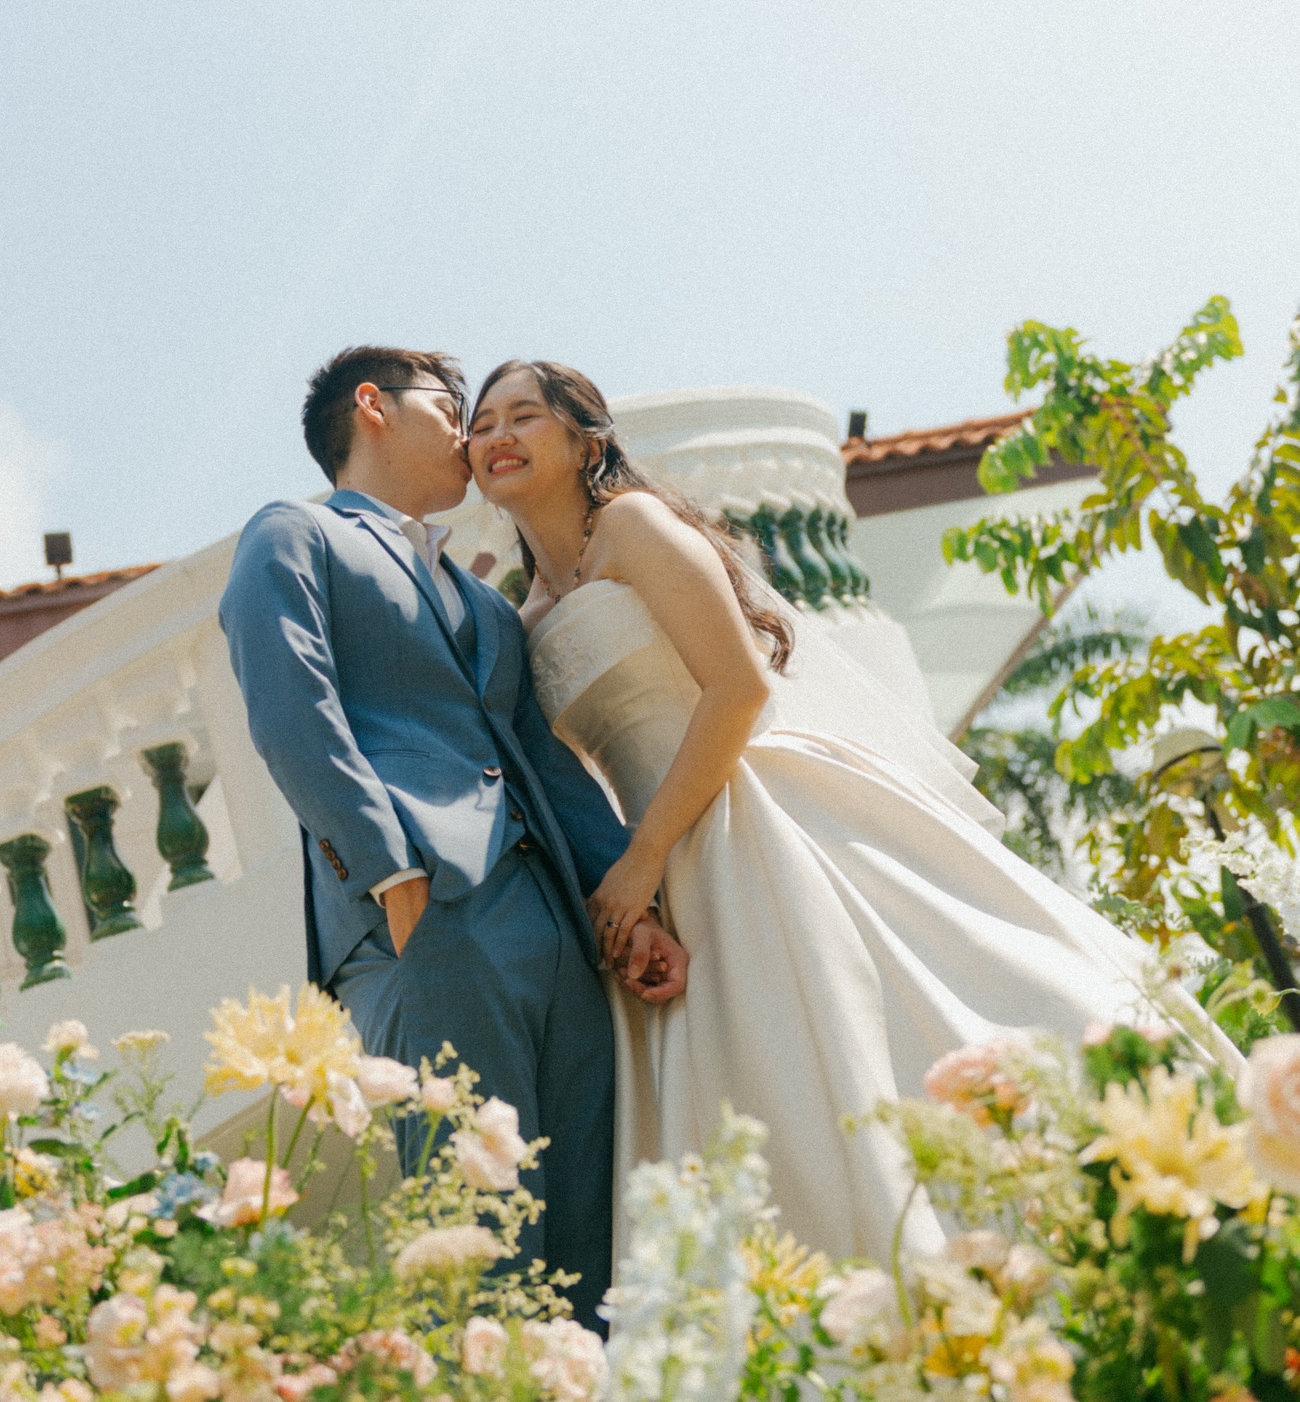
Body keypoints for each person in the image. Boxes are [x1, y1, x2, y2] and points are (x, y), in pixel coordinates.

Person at [467, 358, 1240, 1265]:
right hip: (664, 870)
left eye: (524, 416)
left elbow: (738, 688)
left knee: (878, 1031)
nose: (498, 437)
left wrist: (643, 859)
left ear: (586, 437)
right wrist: (640, 890)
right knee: (758, 1102)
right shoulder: (526, 613)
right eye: (481, 426)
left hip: (754, 811)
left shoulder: (632, 526)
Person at [218, 346, 687, 1329]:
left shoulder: (485, 604)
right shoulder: (293, 535)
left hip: (554, 934)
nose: (474, 434)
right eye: (453, 408)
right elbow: (291, 704)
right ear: (373, 408)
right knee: (481, 1237)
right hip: (422, 925)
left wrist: (626, 905)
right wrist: (383, 864)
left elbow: (547, 770)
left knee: (589, 1250)